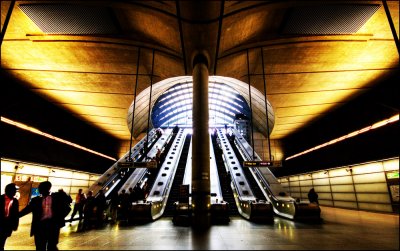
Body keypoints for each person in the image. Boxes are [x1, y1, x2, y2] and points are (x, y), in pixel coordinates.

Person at [19, 181, 69, 251]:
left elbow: (67, 208)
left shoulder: (56, 198)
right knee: (40, 247)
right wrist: (15, 216)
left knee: (52, 247)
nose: (38, 189)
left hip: (53, 226)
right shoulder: (36, 200)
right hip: (40, 227)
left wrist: (59, 218)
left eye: (40, 187)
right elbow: (27, 210)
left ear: (47, 188)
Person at [0, 183, 19, 251]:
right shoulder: (0, 198)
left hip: (7, 226)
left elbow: (16, 214)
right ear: (8, 190)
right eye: (14, 190)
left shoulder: (15, 201)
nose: (15, 192)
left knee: (2, 243)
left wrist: (15, 226)